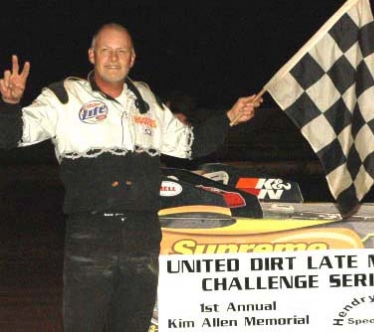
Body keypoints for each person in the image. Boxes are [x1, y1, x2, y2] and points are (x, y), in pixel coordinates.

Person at [0, 23, 261, 332]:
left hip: (143, 234)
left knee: (134, 324)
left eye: (121, 51)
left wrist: (230, 117)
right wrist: (10, 105)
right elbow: (12, 136)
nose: (113, 58)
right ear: (92, 55)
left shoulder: (147, 99)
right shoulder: (64, 96)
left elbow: (189, 144)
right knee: (84, 324)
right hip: (90, 234)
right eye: (106, 50)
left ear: (132, 58)